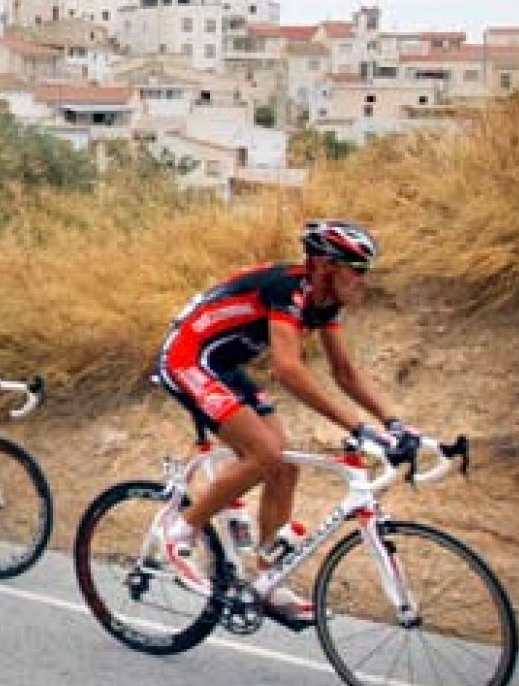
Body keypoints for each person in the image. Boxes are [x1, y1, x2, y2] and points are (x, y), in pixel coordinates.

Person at [154, 219, 418, 625]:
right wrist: (357, 428)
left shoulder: (325, 302)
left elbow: (344, 372)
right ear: (327, 266)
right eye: (357, 270)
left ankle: (267, 579)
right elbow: (288, 370)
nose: (364, 281)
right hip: (187, 357)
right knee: (265, 453)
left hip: (222, 365)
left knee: (285, 466)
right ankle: (180, 531)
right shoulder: (287, 290)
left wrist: (393, 421)